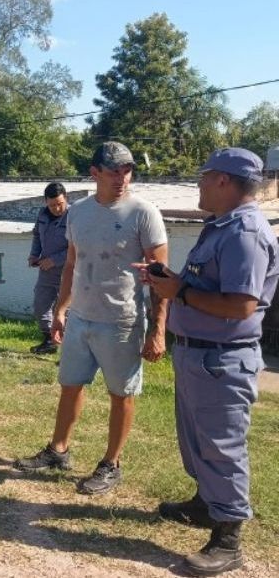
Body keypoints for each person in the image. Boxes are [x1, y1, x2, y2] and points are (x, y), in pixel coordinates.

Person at [137, 148, 278, 576]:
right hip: (199, 355)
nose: (198, 183)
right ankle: (206, 504)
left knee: (221, 447)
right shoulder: (221, 226)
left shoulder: (245, 233)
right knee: (197, 441)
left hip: (222, 359)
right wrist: (171, 281)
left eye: (204, 176)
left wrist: (179, 291)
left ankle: (228, 541)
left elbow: (240, 305)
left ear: (224, 181)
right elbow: (207, 285)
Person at [14, 141, 168, 495]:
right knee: (70, 385)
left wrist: (158, 329)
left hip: (122, 322)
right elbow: (72, 264)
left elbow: (160, 277)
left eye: (127, 170)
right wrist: (61, 310)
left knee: (121, 394)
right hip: (80, 318)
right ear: (94, 173)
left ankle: (112, 463)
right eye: (114, 171)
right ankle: (59, 450)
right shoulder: (78, 213)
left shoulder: (143, 213)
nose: (122, 178)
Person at [28, 182, 69, 354]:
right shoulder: (42, 214)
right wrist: (34, 255)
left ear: (66, 199)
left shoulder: (75, 216)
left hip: (68, 272)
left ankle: (70, 348)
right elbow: (37, 235)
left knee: (67, 310)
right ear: (45, 202)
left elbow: (78, 247)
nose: (57, 209)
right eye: (52, 205)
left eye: (60, 204)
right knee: (40, 306)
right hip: (46, 271)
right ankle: (50, 341)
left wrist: (55, 260)